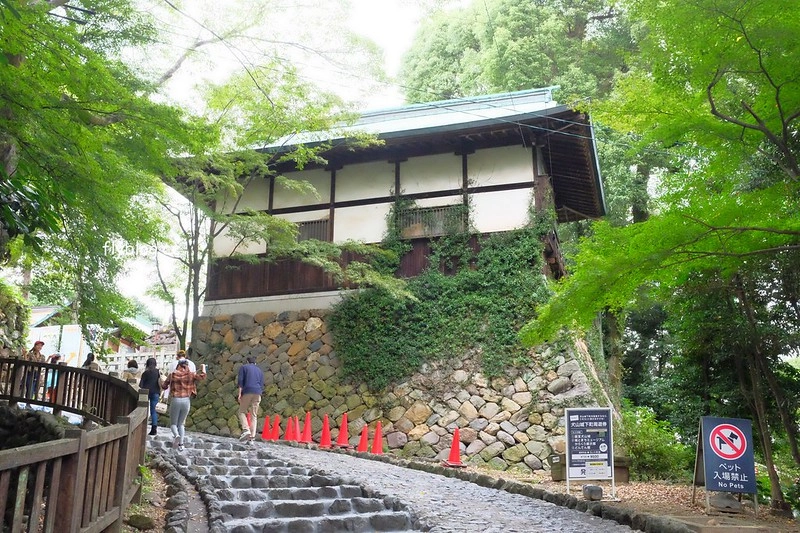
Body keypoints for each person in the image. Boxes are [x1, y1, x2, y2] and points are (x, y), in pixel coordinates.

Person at [161, 358, 206, 451]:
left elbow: (164, 386)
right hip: (186, 401)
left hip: (176, 400)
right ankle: (181, 445)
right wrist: (203, 367)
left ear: (178, 365)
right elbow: (202, 377)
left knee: (173, 423)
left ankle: (176, 435)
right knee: (181, 424)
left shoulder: (172, 375)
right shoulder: (191, 374)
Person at [237, 355, 264, 442]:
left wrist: (240, 394)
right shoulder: (259, 371)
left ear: (247, 362)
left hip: (247, 391)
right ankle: (252, 437)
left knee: (241, 411)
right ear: (255, 363)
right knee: (254, 415)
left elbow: (241, 381)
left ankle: (246, 430)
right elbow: (262, 383)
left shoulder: (244, 367)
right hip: (258, 392)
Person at [139, 358, 162, 436]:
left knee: (143, 409)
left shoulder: (145, 373)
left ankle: (141, 426)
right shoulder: (158, 372)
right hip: (156, 392)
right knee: (153, 410)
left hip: (146, 392)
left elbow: (140, 385)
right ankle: (154, 428)